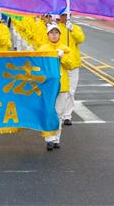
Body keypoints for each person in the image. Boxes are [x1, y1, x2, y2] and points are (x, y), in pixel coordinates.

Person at [38, 23, 73, 151]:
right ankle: (49, 139)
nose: (54, 35)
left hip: (62, 86)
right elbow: (38, 66)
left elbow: (71, 65)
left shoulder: (65, 49)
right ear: (47, 35)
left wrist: (62, 57)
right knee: (48, 111)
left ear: (60, 34)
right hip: (48, 86)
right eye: (51, 32)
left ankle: (56, 138)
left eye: (56, 32)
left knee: (59, 113)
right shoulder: (42, 49)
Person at [57, 13, 85, 126]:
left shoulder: (76, 28)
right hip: (60, 65)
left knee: (71, 91)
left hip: (73, 64)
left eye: (67, 15)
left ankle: (67, 115)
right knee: (60, 91)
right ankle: (59, 113)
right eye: (63, 15)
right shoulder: (56, 29)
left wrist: (72, 29)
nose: (65, 17)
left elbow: (81, 39)